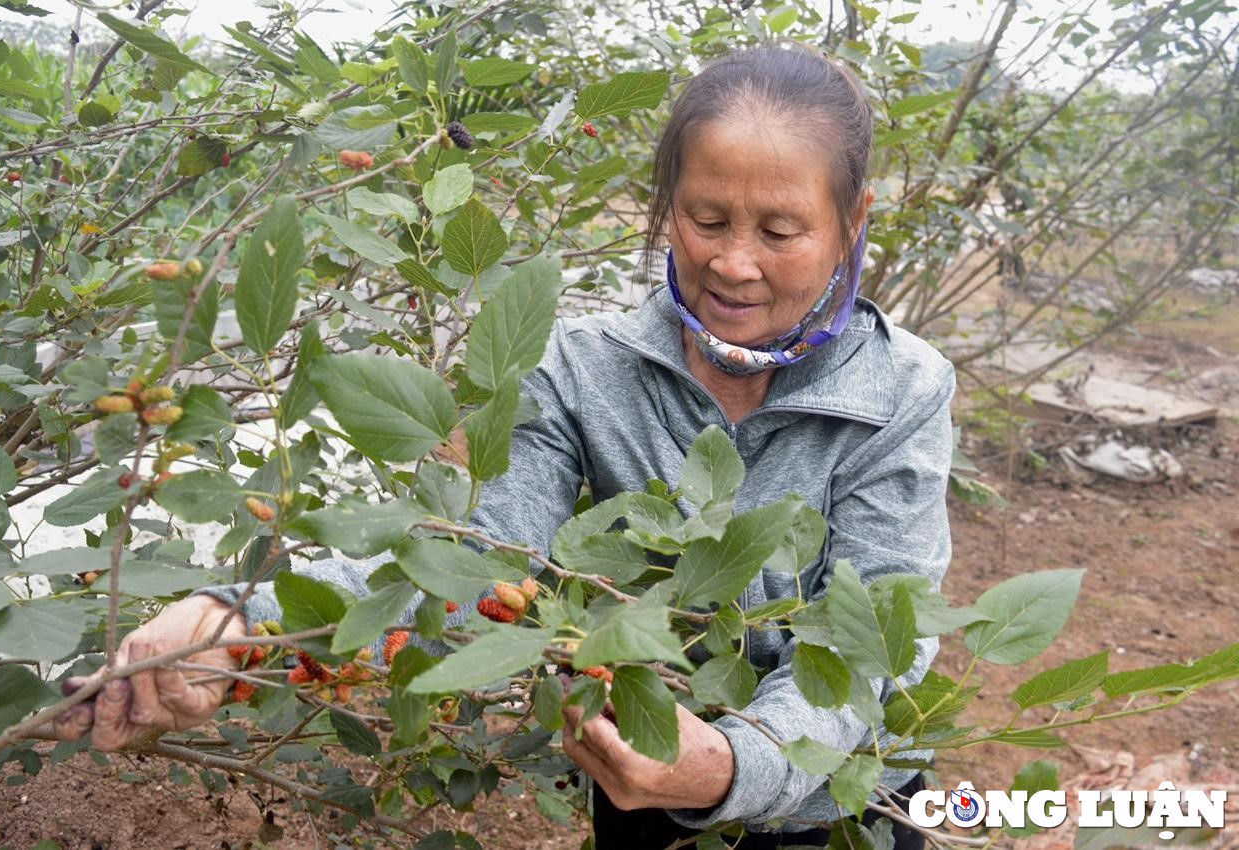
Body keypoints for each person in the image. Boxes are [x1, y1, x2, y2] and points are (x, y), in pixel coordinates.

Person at [55, 44, 954, 849]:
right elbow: (479, 552)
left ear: (853, 216)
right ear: (666, 204)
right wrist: (239, 621)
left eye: (781, 231)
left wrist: (731, 766)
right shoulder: (580, 368)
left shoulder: (904, 393)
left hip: (841, 805)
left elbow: (872, 648)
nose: (733, 263)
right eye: (705, 220)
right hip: (646, 773)